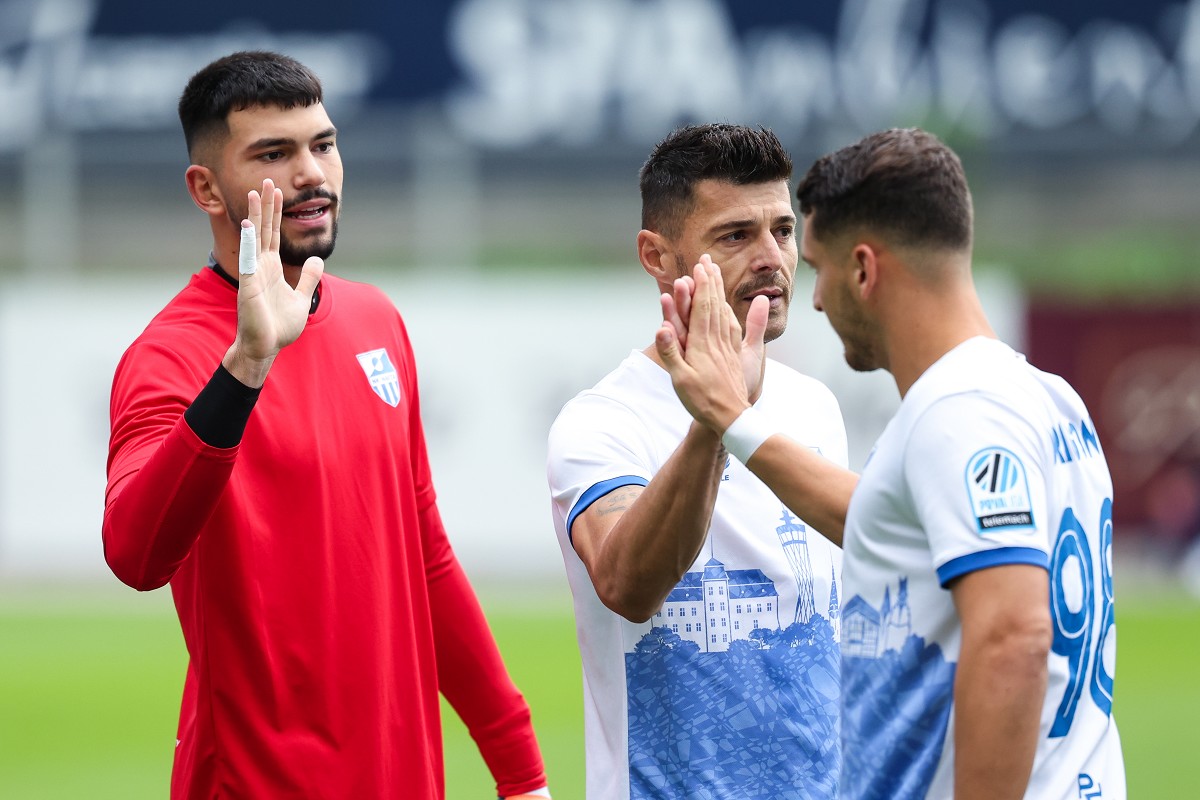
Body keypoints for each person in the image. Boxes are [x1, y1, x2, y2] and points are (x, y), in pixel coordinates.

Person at [103, 50, 550, 799]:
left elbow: (425, 552)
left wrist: (521, 768)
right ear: (206, 188)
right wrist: (246, 364)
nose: (313, 172)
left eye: (324, 144)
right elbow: (135, 555)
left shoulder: (376, 320)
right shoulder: (171, 356)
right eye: (274, 153)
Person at [656, 127, 1125, 799]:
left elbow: (1013, 635)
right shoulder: (1048, 398)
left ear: (865, 271)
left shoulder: (955, 413)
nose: (812, 298)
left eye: (817, 267)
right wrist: (736, 423)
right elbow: (885, 521)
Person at [546, 123, 848, 799]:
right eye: (736, 236)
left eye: (783, 229)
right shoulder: (601, 423)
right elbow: (628, 585)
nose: (772, 257)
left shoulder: (817, 407)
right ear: (657, 256)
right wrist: (718, 420)